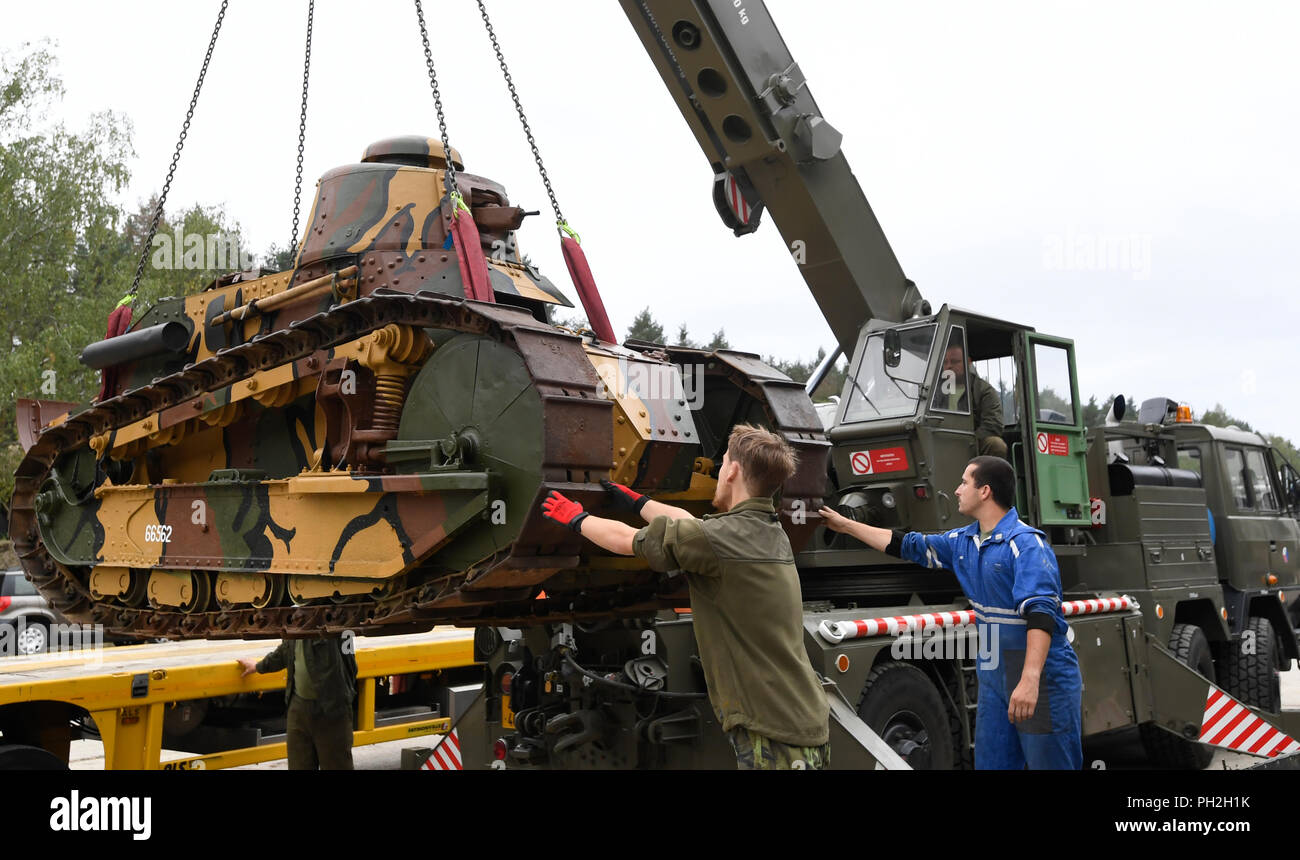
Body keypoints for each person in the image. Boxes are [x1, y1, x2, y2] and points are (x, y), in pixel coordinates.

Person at [540, 424, 830, 770]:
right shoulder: (769, 531)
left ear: (733, 470)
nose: (720, 471)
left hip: (770, 731)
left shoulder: (720, 540)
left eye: (723, 463)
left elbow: (625, 540)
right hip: (801, 718)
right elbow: (691, 525)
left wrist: (576, 518)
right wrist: (639, 502)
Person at [819, 455, 1082, 770]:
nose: (957, 490)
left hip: (1040, 677)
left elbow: (1041, 615)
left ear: (985, 491)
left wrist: (1030, 679)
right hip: (995, 673)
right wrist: (846, 525)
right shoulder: (964, 541)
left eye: (964, 482)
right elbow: (907, 545)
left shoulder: (1025, 544)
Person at [237, 633, 358, 770]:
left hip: (330, 707)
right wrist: (259, 666)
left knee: (337, 764)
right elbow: (285, 651)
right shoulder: (295, 621)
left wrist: (342, 697)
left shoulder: (334, 620)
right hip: (298, 707)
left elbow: (350, 664)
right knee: (298, 764)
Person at [933, 342, 1008, 459]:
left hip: (973, 443)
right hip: (941, 442)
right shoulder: (934, 391)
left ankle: (989, 476)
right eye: (945, 362)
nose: (948, 366)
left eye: (954, 362)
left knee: (996, 444)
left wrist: (968, 441)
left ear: (968, 362)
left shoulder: (984, 390)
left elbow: (993, 425)